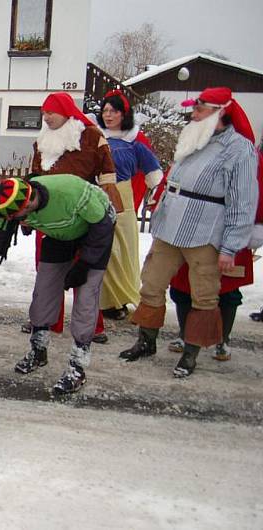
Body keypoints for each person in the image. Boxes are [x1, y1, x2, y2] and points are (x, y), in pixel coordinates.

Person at [119, 87, 259, 378]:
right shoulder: (194, 137)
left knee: (204, 294)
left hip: (206, 230)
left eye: (199, 109)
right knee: (151, 283)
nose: (193, 114)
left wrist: (231, 247)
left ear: (218, 112)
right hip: (171, 226)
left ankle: (191, 353)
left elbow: (243, 201)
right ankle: (146, 340)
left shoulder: (239, 149)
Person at [0, 175, 115, 393]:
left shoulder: (70, 193)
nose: (12, 219)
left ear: (26, 204)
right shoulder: (19, 202)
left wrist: (84, 264)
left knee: (86, 295)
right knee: (44, 290)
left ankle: (78, 366)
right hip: (60, 233)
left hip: (96, 229)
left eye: (14, 216)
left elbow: (102, 226)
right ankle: (38, 350)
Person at [23, 92, 120, 343]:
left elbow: (107, 172)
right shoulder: (41, 140)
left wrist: (110, 206)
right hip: (50, 213)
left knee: (86, 273)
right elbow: (35, 174)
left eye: (51, 112)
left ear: (66, 112)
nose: (46, 117)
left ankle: (91, 328)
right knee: (47, 272)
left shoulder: (90, 136)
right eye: (43, 113)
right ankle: (46, 323)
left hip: (84, 212)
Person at [96, 90, 163, 320]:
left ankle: (119, 298)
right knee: (101, 248)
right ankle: (102, 300)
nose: (108, 115)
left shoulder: (134, 142)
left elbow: (154, 172)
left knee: (120, 249)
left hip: (122, 198)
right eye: (104, 110)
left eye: (113, 111)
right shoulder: (94, 137)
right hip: (96, 195)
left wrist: (156, 194)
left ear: (124, 114)